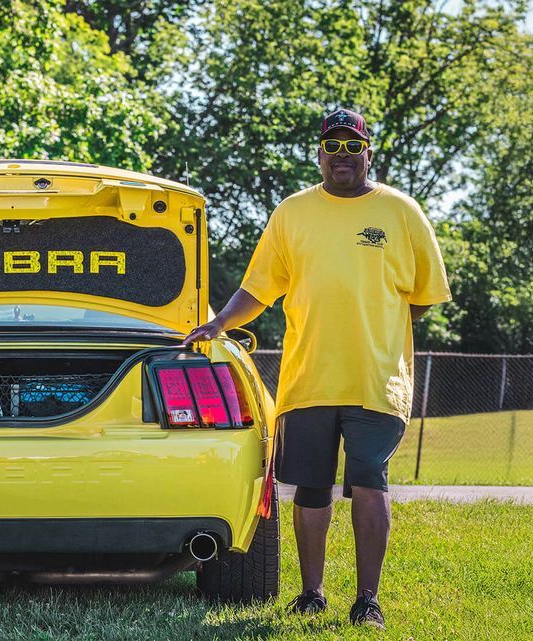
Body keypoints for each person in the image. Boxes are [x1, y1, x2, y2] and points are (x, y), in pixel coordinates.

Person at [183, 108, 451, 629]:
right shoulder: (292, 213)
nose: (342, 157)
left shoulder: (401, 212)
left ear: (369, 153)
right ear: (320, 154)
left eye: (353, 147)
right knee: (308, 488)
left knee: (369, 481)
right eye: (333, 147)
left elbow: (424, 297)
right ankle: (312, 594)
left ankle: (367, 600)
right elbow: (258, 288)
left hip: (377, 378)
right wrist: (216, 324)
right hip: (308, 378)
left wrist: (382, 325)